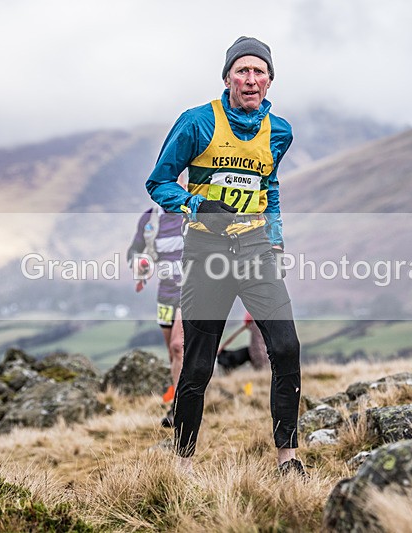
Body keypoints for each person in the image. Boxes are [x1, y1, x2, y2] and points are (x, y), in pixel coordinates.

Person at [145, 36, 305, 477]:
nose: (251, 79)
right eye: (242, 71)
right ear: (227, 77)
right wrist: (196, 205)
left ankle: (288, 461)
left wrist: (275, 242)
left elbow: (269, 189)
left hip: (255, 249)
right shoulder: (197, 122)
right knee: (197, 362)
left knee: (287, 347)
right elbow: (159, 182)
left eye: (260, 72)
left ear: (270, 81)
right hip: (207, 252)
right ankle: (181, 462)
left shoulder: (281, 132)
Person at [127, 204, 185, 428]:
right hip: (165, 293)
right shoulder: (150, 218)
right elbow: (133, 250)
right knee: (173, 354)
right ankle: (185, 397)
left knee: (179, 347)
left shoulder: (193, 208)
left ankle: (180, 409)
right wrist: (140, 263)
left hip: (191, 289)